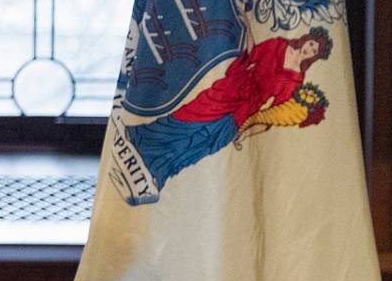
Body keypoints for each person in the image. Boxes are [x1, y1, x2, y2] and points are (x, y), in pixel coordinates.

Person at [126, 27, 332, 188]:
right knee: (191, 116)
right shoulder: (279, 45)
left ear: (315, 56)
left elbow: (271, 115)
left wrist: (246, 133)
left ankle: (162, 170)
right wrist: (247, 27)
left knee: (209, 142)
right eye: (312, 44)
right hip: (234, 88)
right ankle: (143, 136)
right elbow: (251, 53)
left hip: (248, 109)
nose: (310, 49)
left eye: (315, 51)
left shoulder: (296, 79)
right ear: (307, 38)